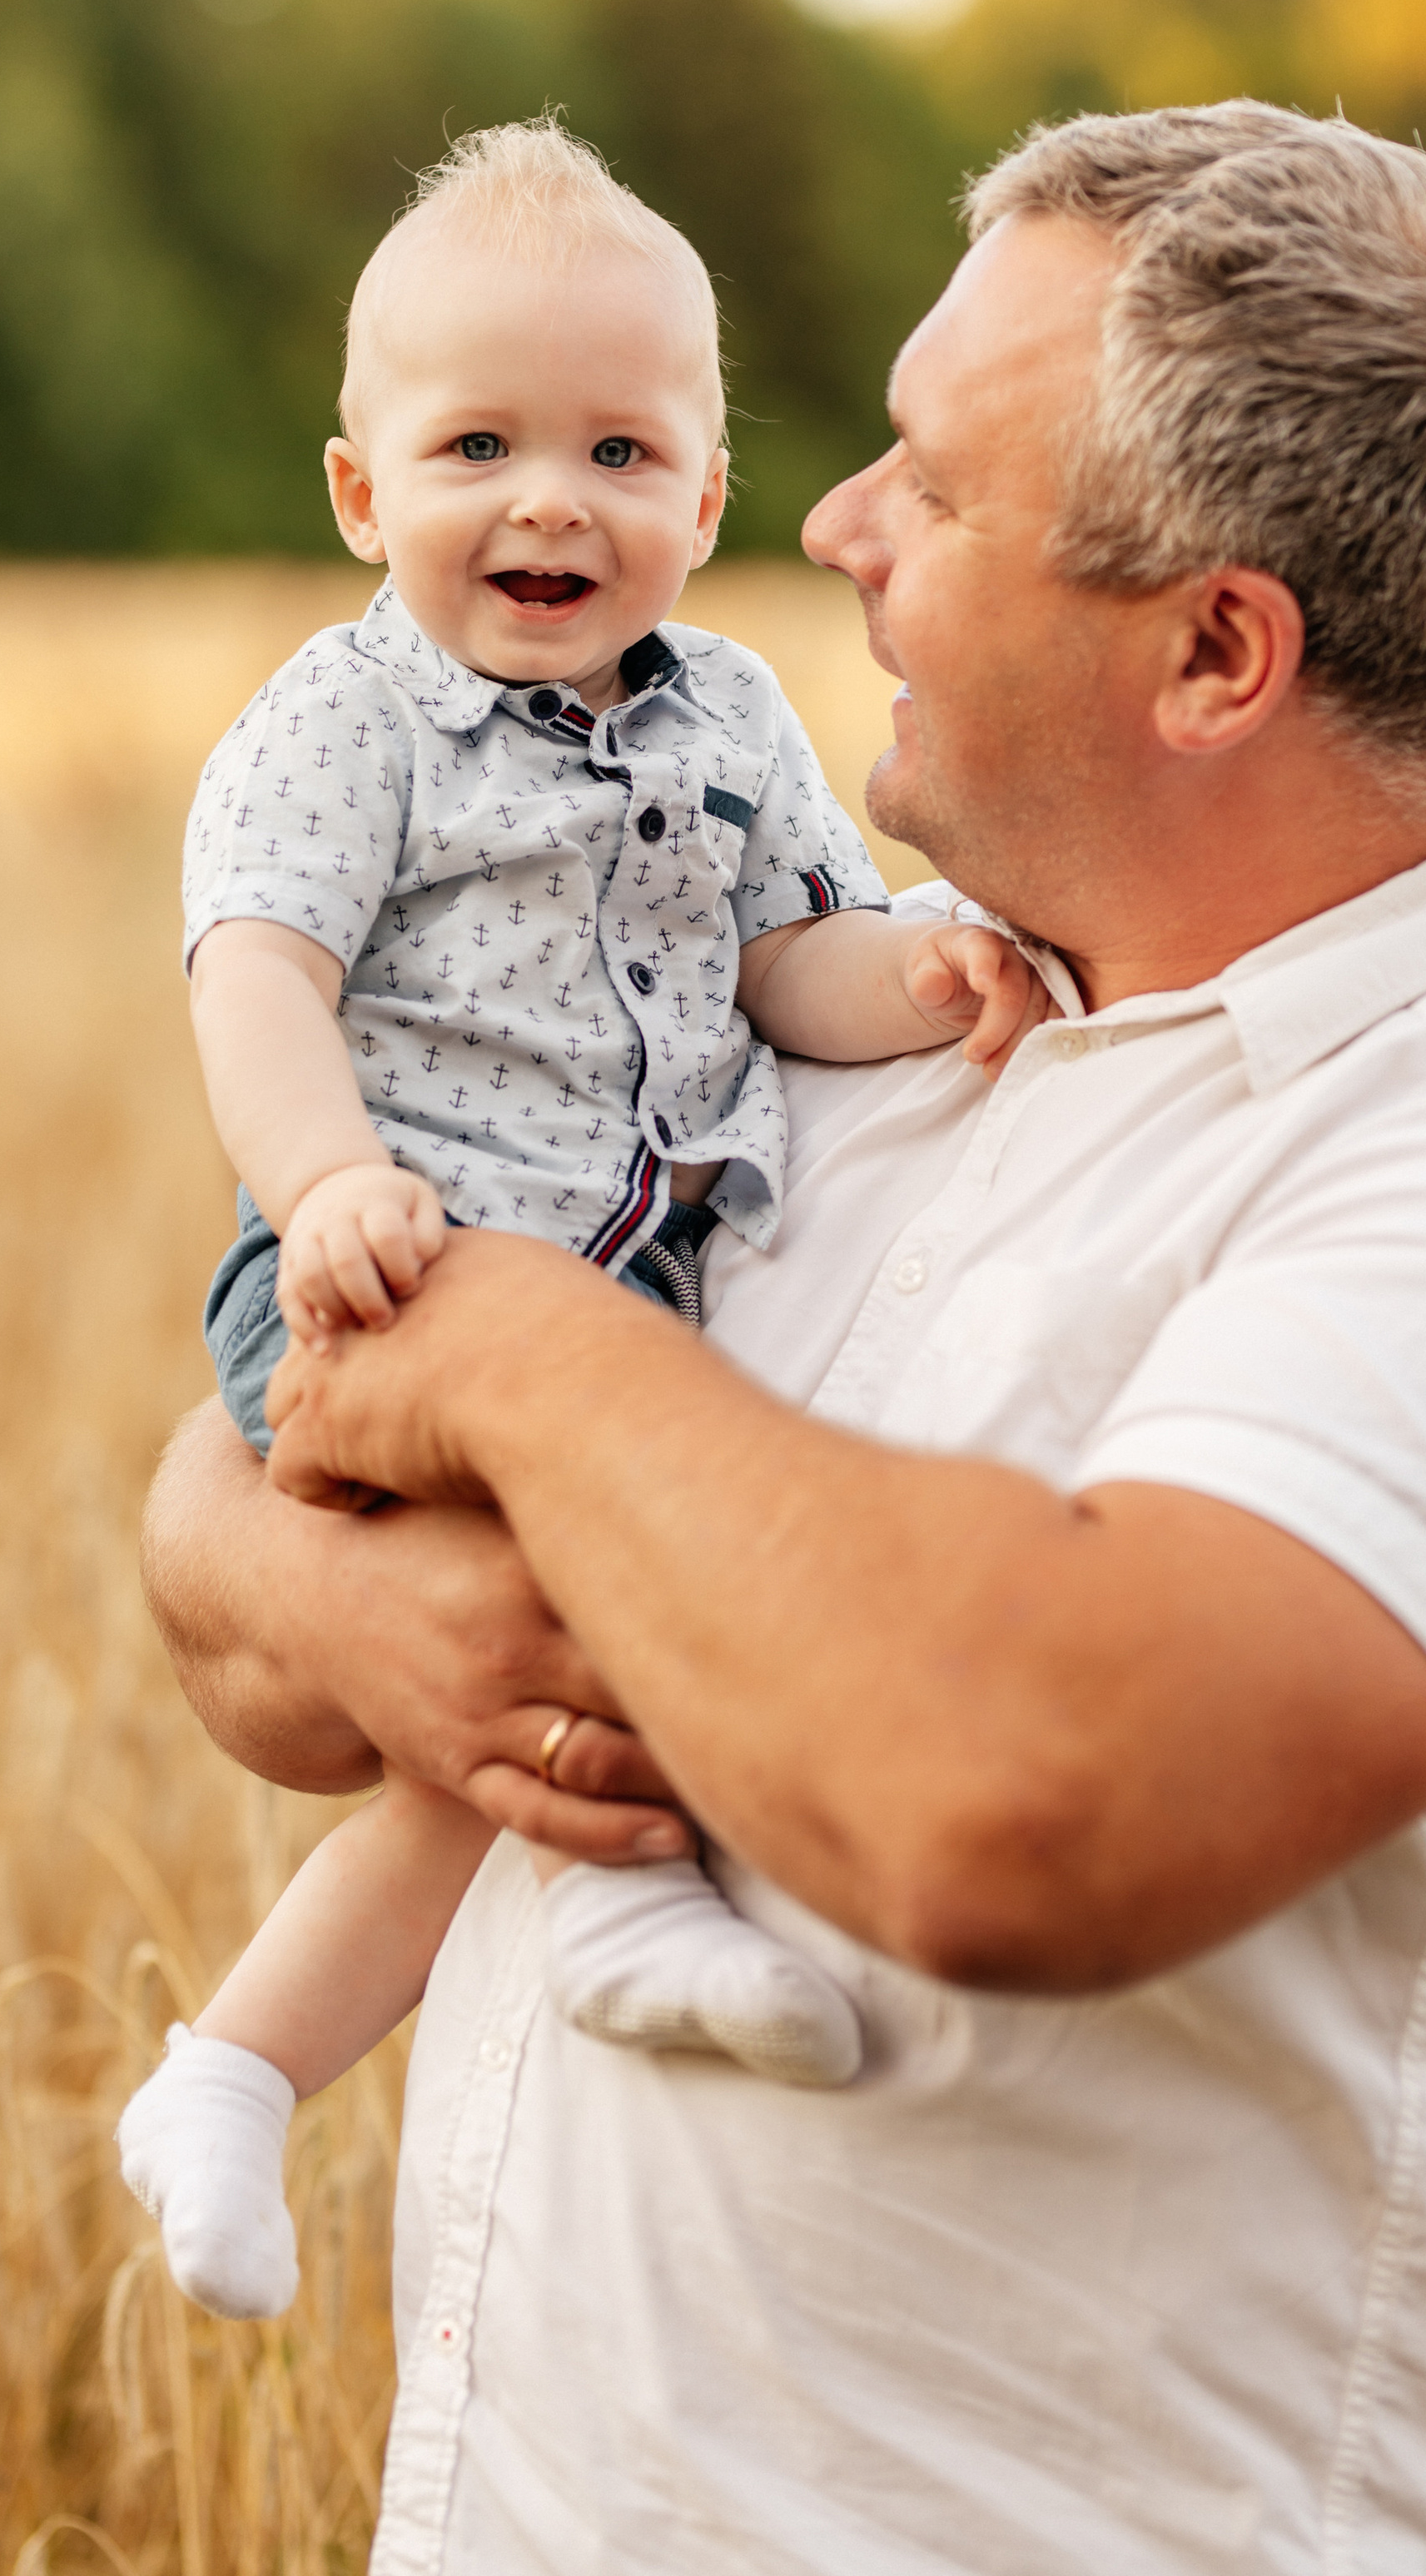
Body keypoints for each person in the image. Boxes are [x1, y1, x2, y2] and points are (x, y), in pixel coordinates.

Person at [142, 102, 1426, 2573]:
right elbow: (245, 1560)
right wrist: (325, 1560)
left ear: (1218, 653)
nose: (828, 529)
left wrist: (496, 1361)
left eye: (930, 484)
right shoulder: (891, 1006)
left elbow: (1013, 1797)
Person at [117, 120, 1046, 2322]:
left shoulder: (730, 718)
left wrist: (917, 979)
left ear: (704, 503)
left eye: (621, 448)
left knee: (575, 1625)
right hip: (389, 1269)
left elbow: (777, 966)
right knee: (587, 1567)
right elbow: (257, 970)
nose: (550, 497)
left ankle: (259, 2059)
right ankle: (367, 2013)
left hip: (628, 1272)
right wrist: (327, 1182)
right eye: (477, 446)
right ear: (363, 496)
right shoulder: (352, 724)